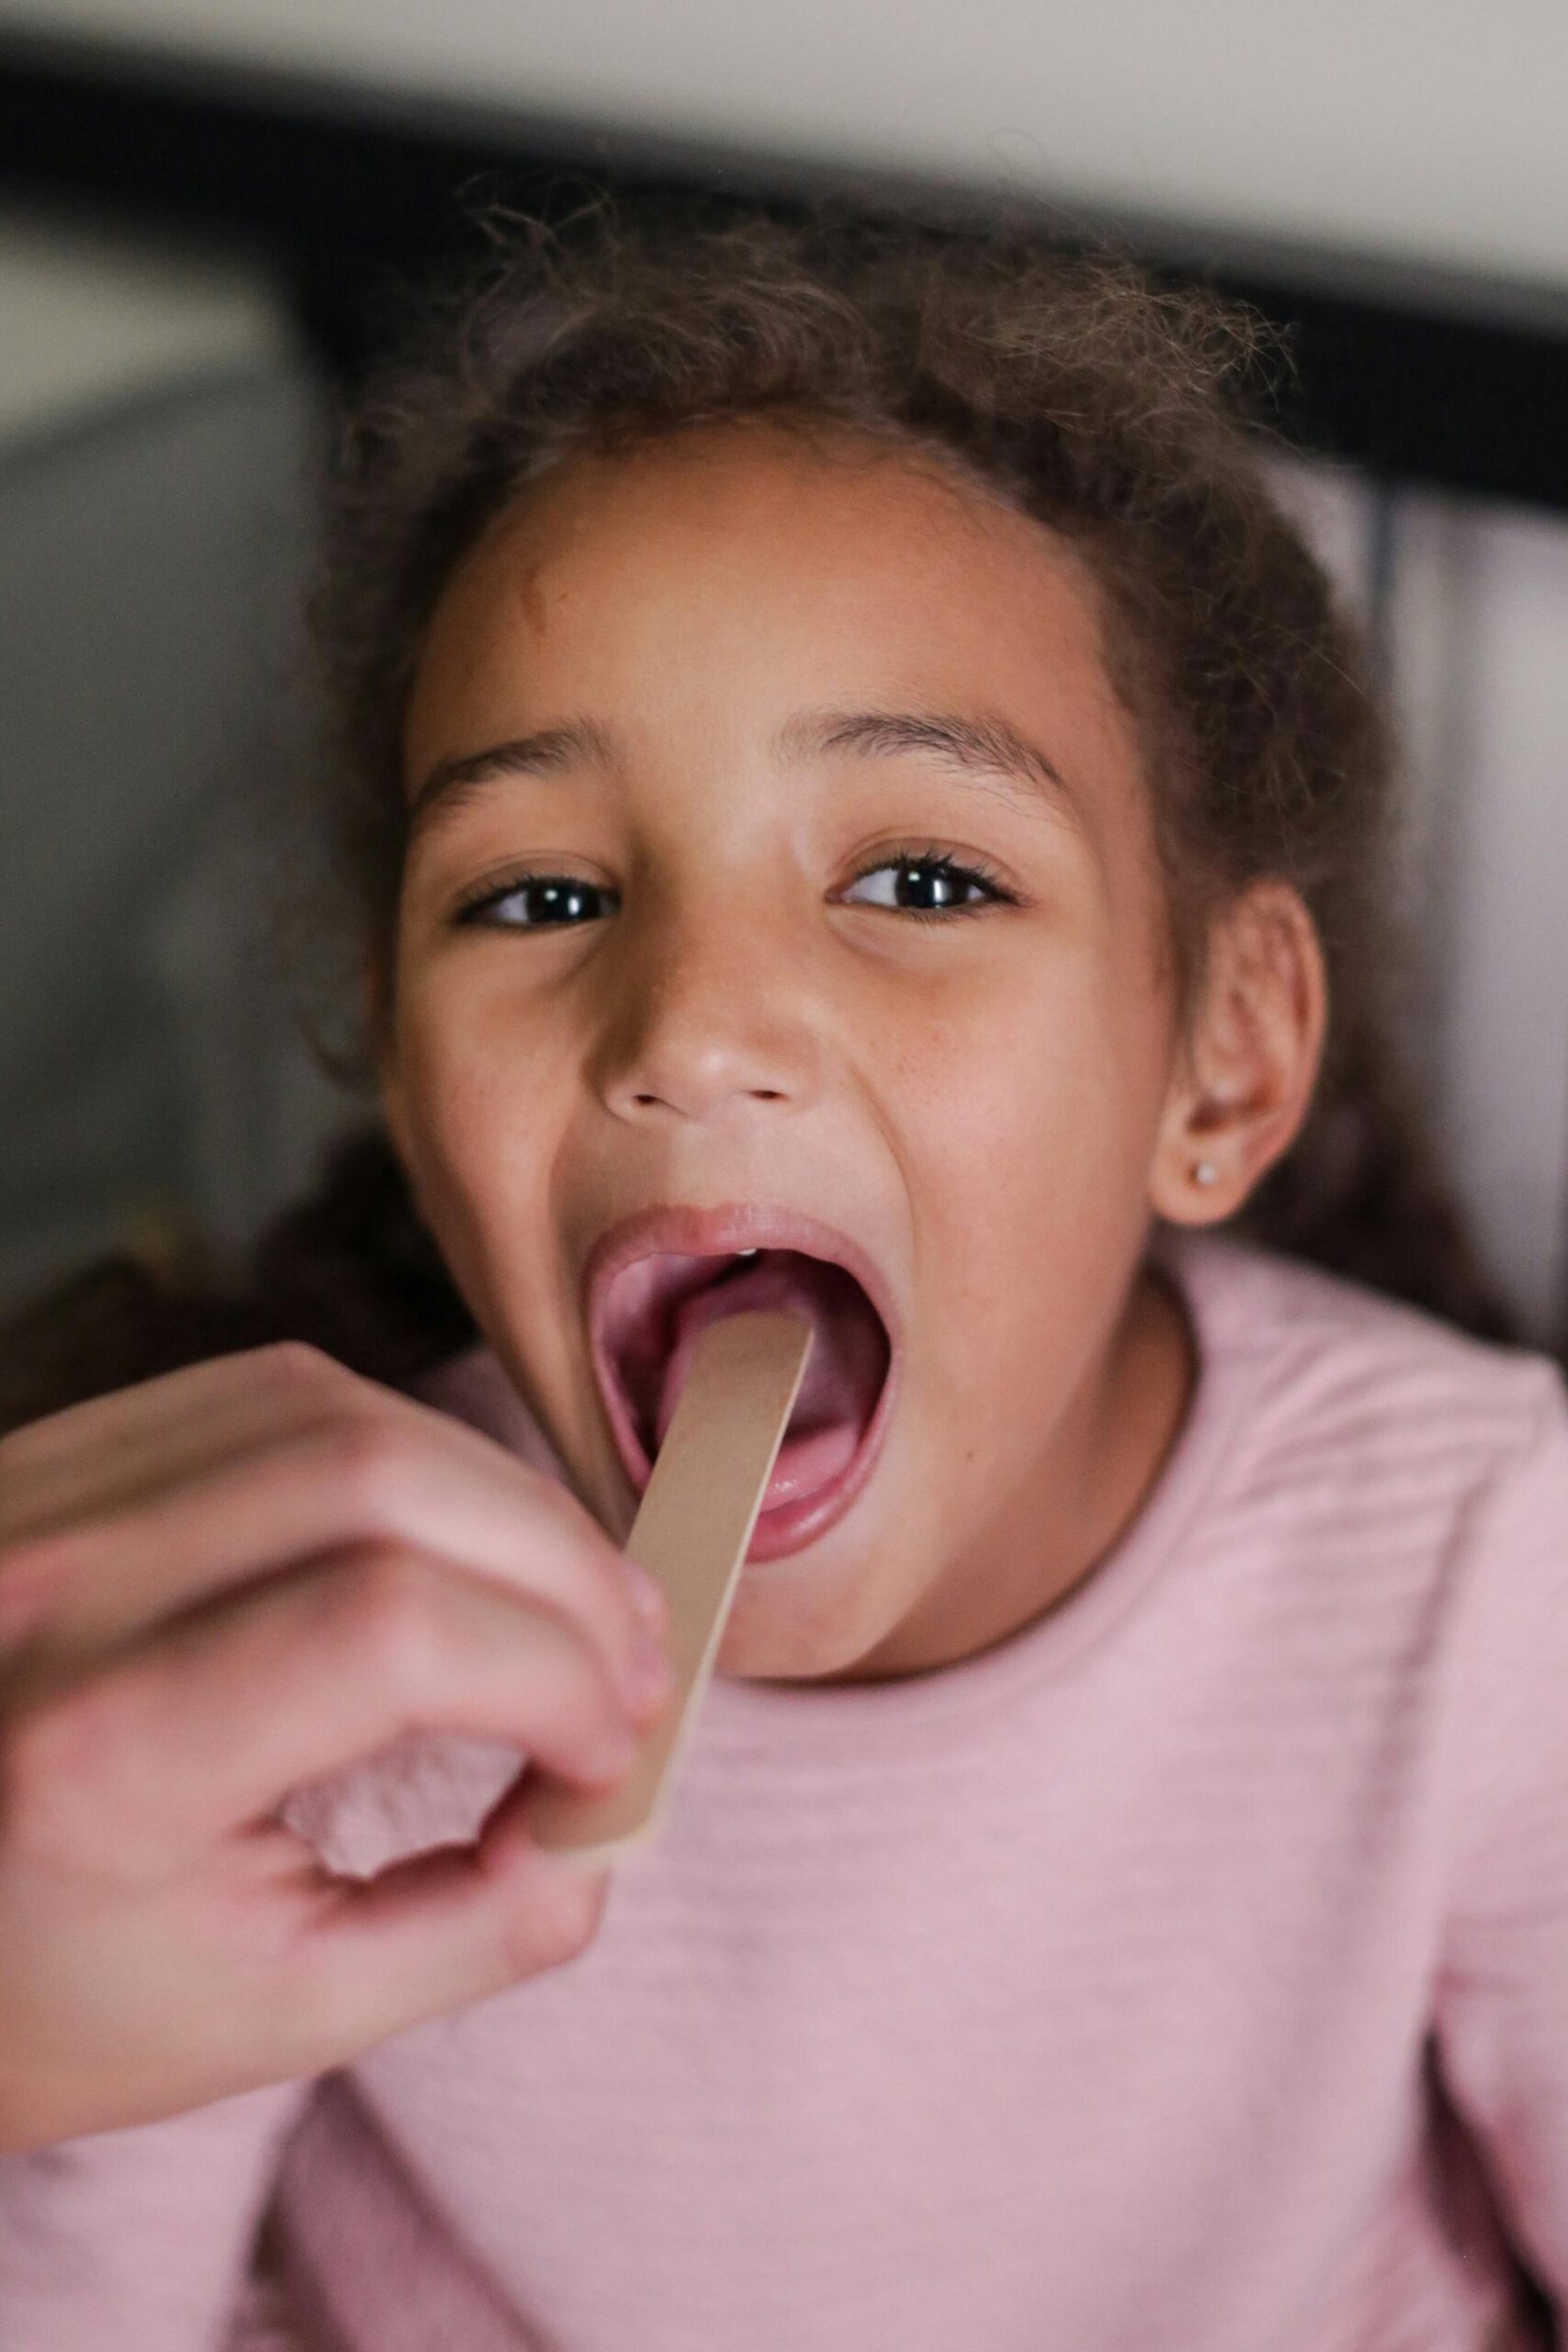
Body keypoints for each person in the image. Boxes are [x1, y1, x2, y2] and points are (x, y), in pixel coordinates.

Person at [0, 207, 1562, 2352]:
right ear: (401, 1080)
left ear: (1223, 1052)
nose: (692, 1025)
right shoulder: (278, 1676)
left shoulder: (1485, 1585)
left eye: (918, 876)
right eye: (537, 896)